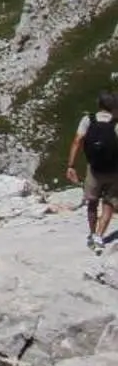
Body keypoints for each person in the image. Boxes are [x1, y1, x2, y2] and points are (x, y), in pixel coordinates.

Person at [67, 92, 118, 249]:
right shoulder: (116, 123)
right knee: (109, 203)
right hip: (114, 171)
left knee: (92, 202)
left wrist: (71, 165)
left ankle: (91, 232)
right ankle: (99, 235)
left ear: (99, 105)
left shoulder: (88, 119)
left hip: (94, 170)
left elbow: (77, 141)